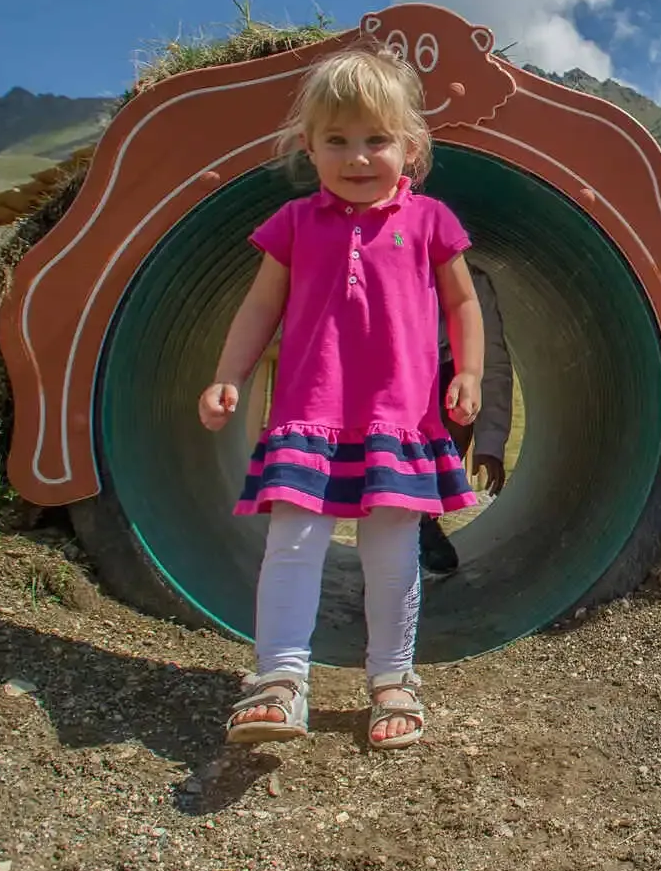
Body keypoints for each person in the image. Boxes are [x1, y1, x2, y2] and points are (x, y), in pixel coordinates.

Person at [197, 48, 486, 749]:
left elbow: (463, 302)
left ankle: (392, 679)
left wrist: (470, 372)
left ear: (410, 147)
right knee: (293, 545)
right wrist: (228, 374)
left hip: (399, 419)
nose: (357, 157)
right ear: (310, 147)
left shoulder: (429, 221)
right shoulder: (296, 223)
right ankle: (279, 679)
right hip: (309, 416)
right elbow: (260, 306)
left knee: (392, 552)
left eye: (376, 139)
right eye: (337, 140)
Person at [419, 263, 512, 574]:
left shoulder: (474, 284)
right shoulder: (380, 271)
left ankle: (423, 514)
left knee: (460, 401)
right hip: (388, 375)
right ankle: (407, 514)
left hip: (444, 370)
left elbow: (493, 365)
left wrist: (491, 444)